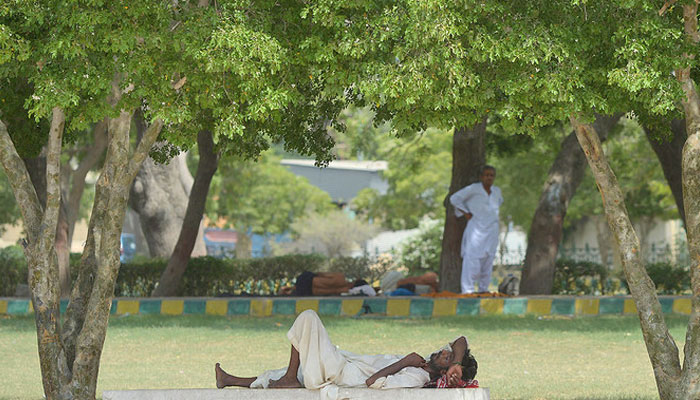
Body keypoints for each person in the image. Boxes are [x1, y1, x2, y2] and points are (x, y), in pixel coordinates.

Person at [215, 310, 472, 394]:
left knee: (308, 317)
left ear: (443, 371)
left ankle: (291, 378)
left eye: (446, 356)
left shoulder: (418, 377)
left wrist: (404, 362)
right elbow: (461, 339)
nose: (441, 351)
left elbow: (374, 382)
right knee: (277, 374)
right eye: (446, 352)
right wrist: (456, 362)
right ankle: (229, 380)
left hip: (340, 373)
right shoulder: (425, 364)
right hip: (340, 362)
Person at [449, 165, 503, 294]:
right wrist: (466, 213)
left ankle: (484, 289)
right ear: (481, 177)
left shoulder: (497, 191)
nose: (489, 178)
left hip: (492, 230)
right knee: (471, 259)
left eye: (492, 175)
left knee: (489, 259)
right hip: (476, 229)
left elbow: (498, 203)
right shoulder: (473, 189)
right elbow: (454, 199)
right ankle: (468, 290)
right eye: (486, 175)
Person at [279, 271, 356, 296]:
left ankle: (286, 290)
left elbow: (323, 274)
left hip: (312, 285)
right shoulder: (340, 279)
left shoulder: (340, 279)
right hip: (312, 284)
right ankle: (286, 290)